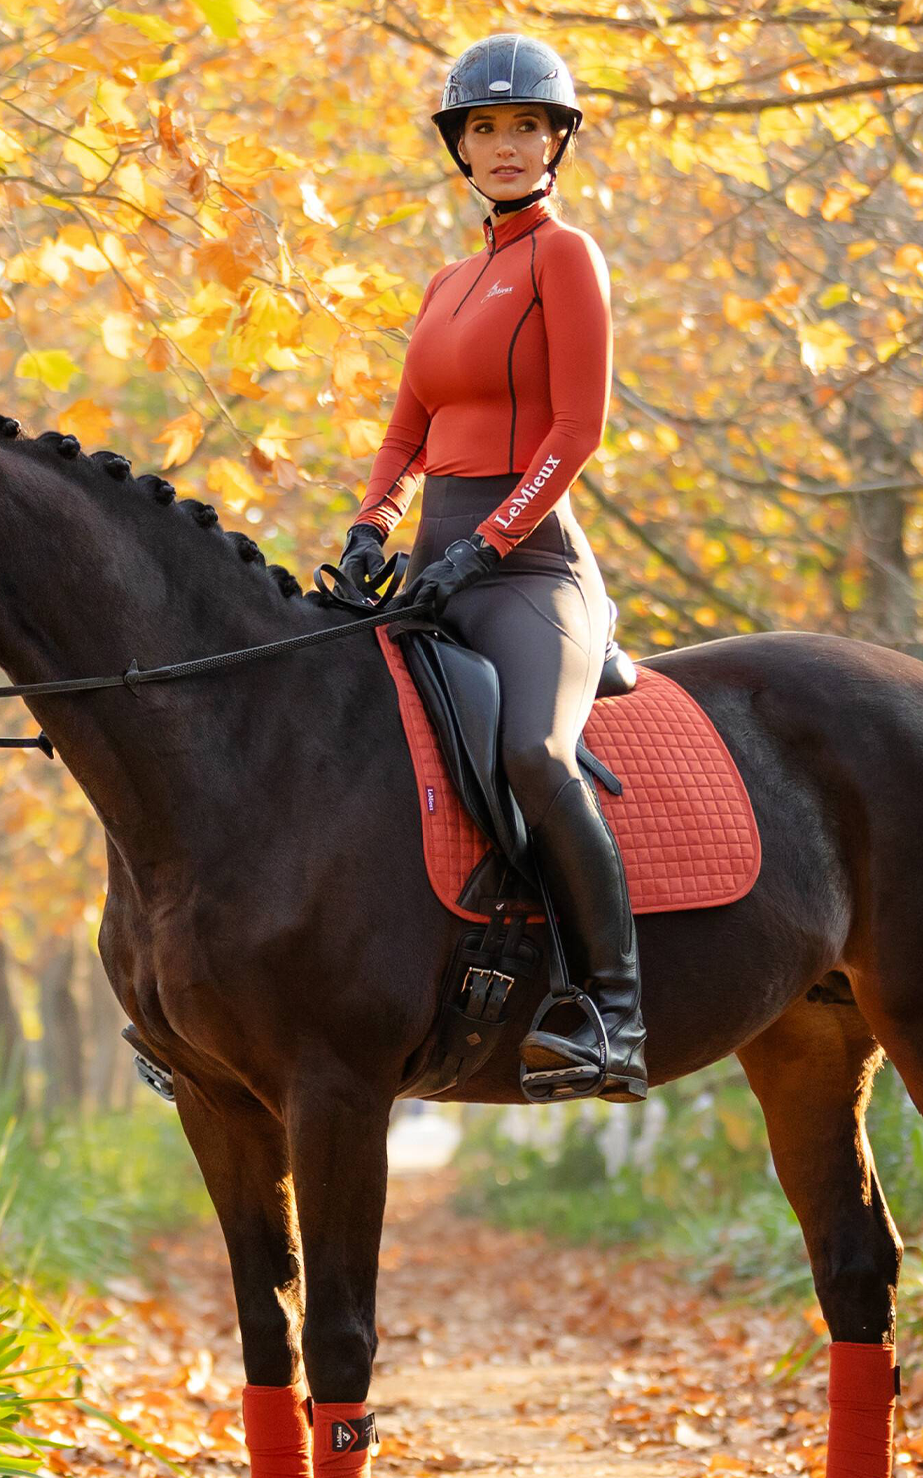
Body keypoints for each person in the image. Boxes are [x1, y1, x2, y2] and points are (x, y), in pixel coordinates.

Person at [340, 32, 646, 1103]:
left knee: (531, 753)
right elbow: (404, 434)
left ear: (558, 141)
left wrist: (486, 543)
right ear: (460, 149)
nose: (506, 145)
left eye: (527, 126)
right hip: (437, 564)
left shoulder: (566, 257)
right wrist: (373, 526)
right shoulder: (445, 283)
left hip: (532, 570)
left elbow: (576, 429)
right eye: (485, 128)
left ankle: (614, 1014)